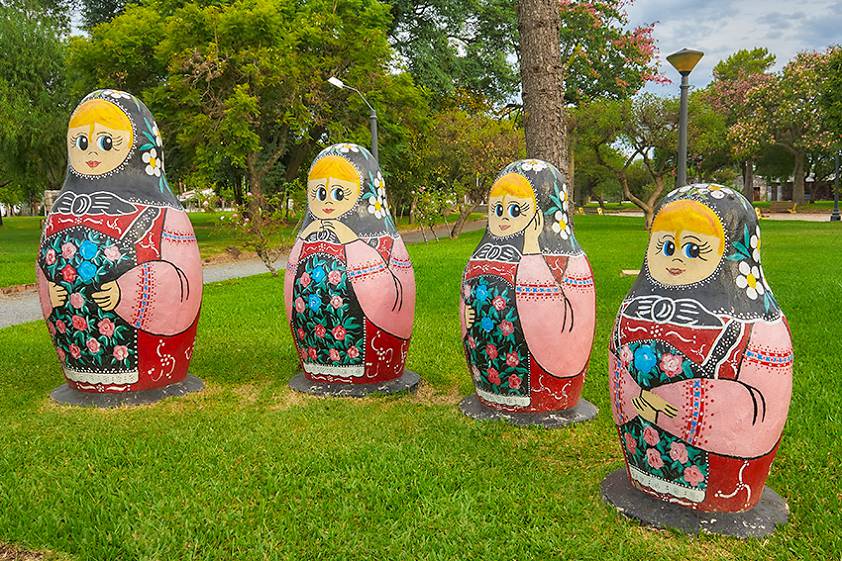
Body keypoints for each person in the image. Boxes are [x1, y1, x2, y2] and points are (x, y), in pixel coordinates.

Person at [609, 184, 792, 512]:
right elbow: (617, 366)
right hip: (641, 438)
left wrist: (678, 406)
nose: (677, 258)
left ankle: (716, 499)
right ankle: (645, 478)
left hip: (711, 462)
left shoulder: (756, 325)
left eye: (694, 249)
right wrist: (635, 398)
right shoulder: (633, 308)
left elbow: (760, 406)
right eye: (666, 246)